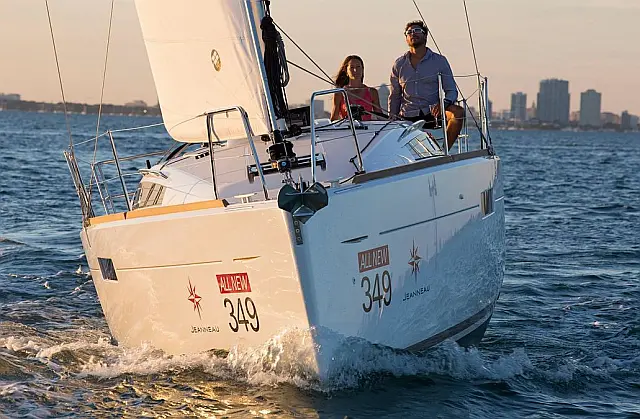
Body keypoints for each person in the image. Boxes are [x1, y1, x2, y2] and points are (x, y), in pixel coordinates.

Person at [388, 21, 465, 150]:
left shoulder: (439, 61)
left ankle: (443, 151)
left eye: (417, 31)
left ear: (425, 35)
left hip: (433, 113)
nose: (413, 34)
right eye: (409, 32)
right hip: (407, 115)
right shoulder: (399, 64)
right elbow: (395, 95)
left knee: (459, 112)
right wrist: (392, 118)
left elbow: (451, 91)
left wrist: (443, 104)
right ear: (406, 38)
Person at [330, 55, 382, 121]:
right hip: (348, 127)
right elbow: (334, 119)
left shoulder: (372, 92)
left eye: (358, 67)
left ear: (362, 69)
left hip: (368, 127)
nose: (355, 70)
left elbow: (380, 116)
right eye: (352, 67)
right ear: (346, 71)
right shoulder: (340, 93)